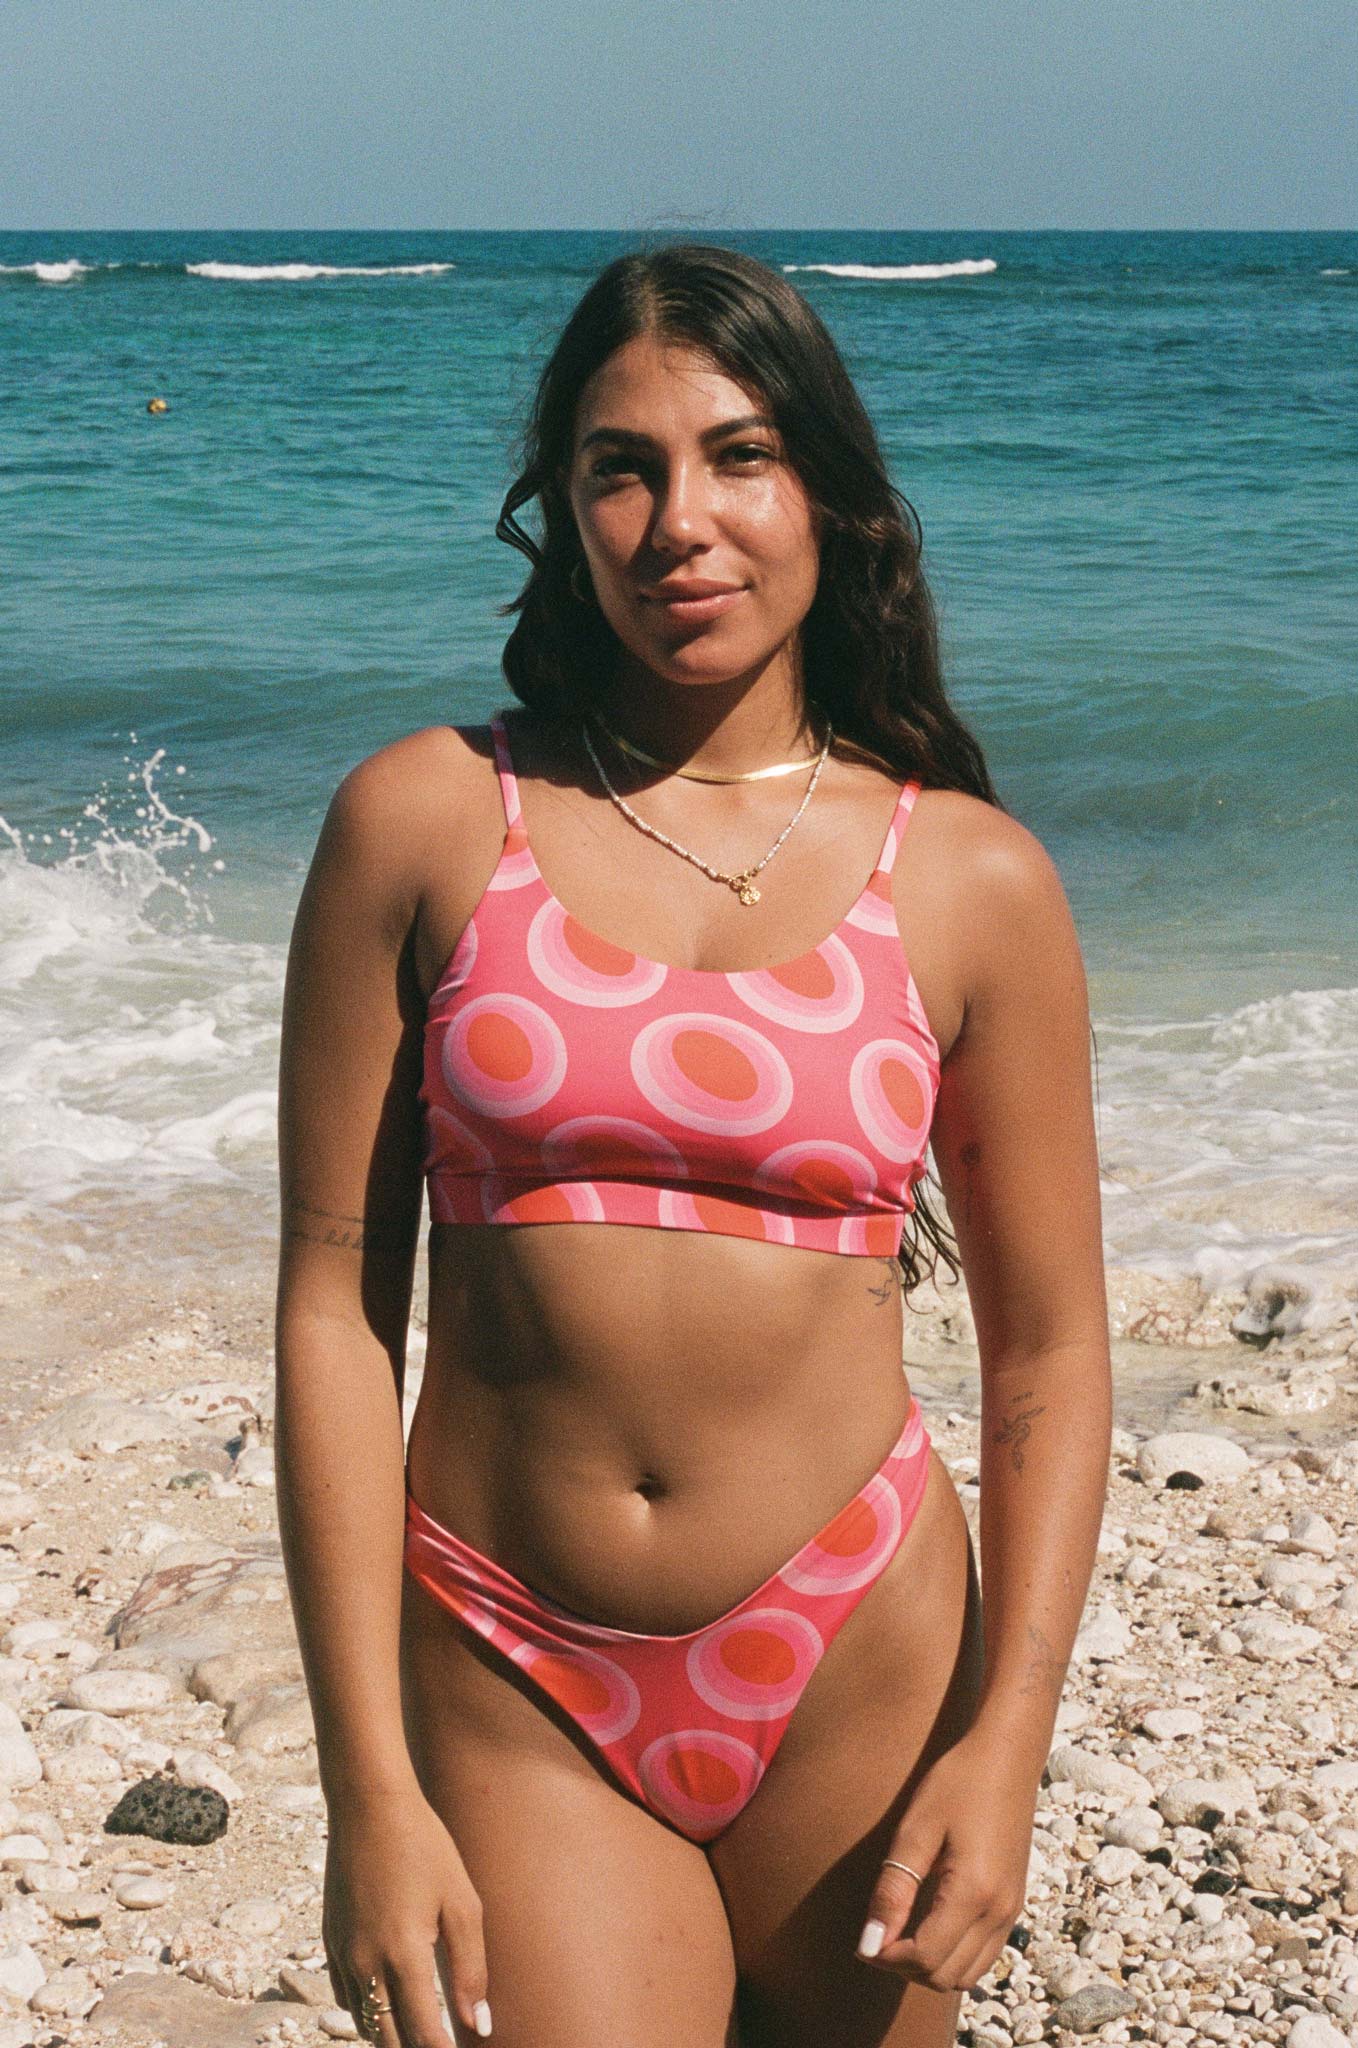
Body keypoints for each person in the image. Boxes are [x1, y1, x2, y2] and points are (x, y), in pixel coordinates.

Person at [274, 242, 1112, 2048]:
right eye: (618, 466)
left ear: (829, 492)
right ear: (561, 508)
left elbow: (1047, 1350)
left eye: (738, 455)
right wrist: (368, 1789)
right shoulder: (425, 822)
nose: (680, 520)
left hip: (860, 1643)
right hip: (515, 1658)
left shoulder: (967, 878)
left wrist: (1006, 1744)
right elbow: (335, 1314)